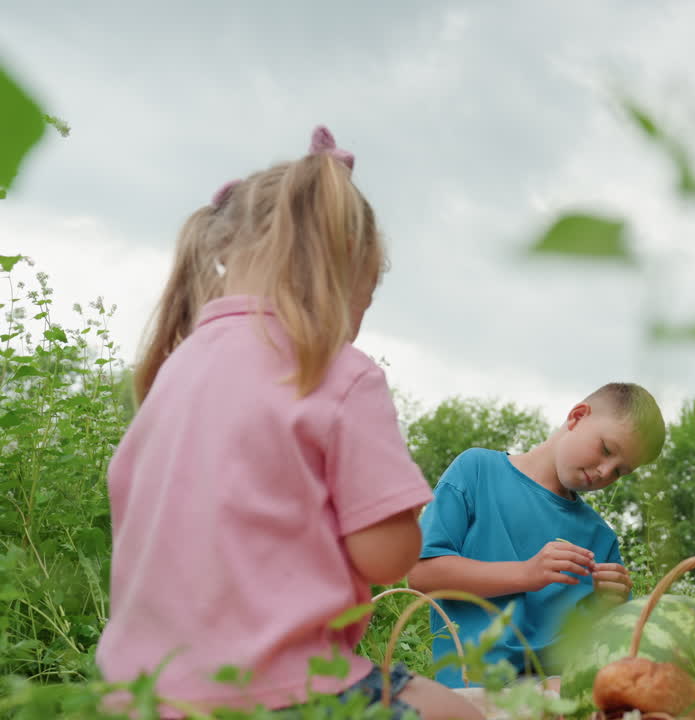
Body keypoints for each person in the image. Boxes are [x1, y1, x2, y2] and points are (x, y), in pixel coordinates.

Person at [97, 127, 480, 720]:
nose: (360, 321)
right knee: (460, 711)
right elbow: (386, 559)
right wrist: (401, 516)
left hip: (145, 697)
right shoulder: (338, 373)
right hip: (287, 691)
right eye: (366, 297)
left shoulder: (173, 372)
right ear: (340, 274)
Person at [407, 383, 666, 689]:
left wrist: (611, 606)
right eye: (607, 450)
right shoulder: (477, 471)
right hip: (474, 691)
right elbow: (420, 573)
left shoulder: (601, 537)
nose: (604, 472)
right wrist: (526, 573)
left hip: (559, 694)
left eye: (620, 471)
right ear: (577, 416)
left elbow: (600, 647)